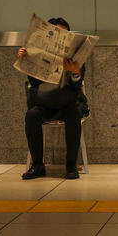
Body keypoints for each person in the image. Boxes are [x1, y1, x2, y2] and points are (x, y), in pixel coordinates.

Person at [20, 17, 87, 180]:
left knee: (74, 113)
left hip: (67, 103)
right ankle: (37, 165)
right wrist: (26, 59)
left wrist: (75, 73)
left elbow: (76, 88)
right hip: (44, 103)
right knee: (31, 115)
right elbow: (34, 83)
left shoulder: (75, 57)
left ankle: (71, 165)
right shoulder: (38, 53)